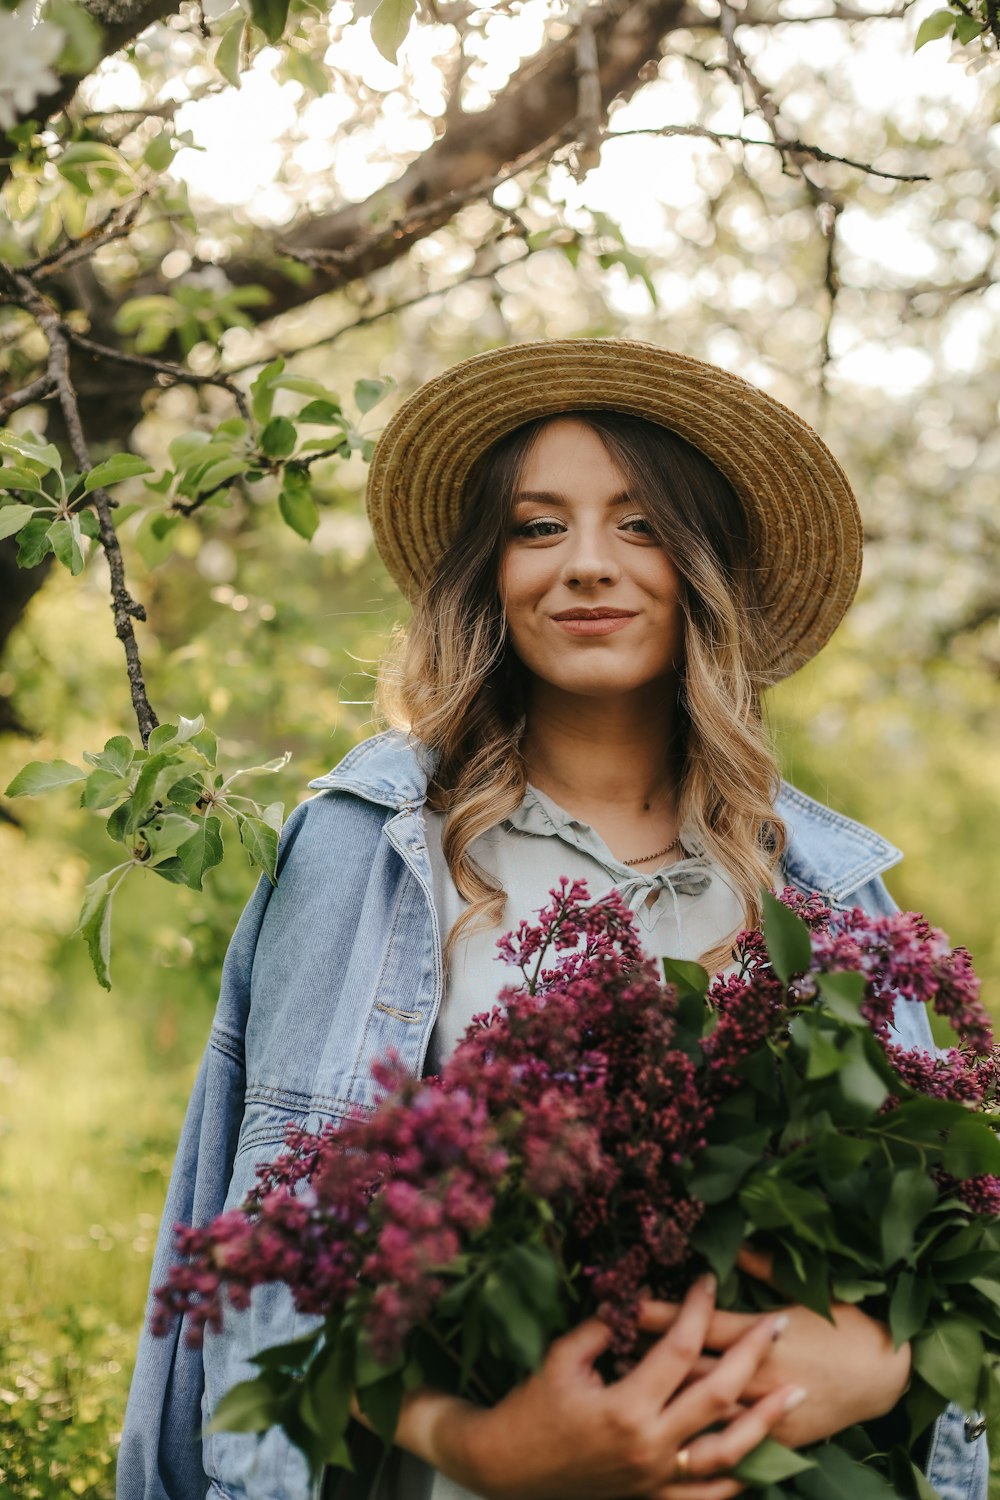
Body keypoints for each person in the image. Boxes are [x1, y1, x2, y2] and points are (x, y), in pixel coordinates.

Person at [117, 339, 988, 1500]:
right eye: (538, 527)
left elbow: (946, 1250)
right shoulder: (371, 850)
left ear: (704, 570)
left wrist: (877, 1364)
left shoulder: (823, 890)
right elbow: (279, 1244)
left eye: (639, 527)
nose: (586, 566)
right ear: (490, 572)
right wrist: (474, 1445)